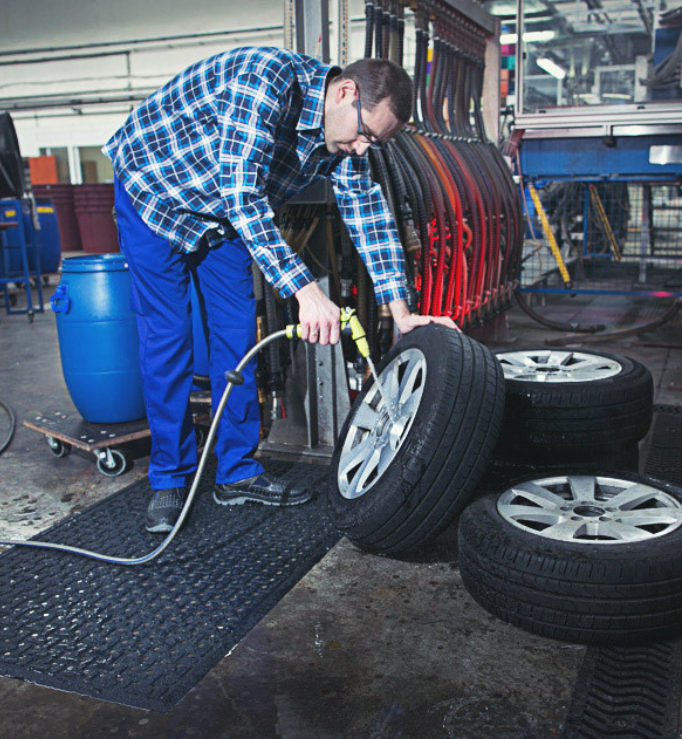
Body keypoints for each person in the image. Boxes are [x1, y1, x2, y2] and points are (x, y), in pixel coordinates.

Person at [103, 47, 458, 533]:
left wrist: (401, 311)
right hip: (155, 192)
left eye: (373, 144)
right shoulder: (266, 79)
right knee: (168, 342)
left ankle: (236, 472)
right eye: (365, 135)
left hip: (221, 213)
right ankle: (170, 477)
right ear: (346, 92)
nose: (361, 150)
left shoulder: (346, 138)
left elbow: (368, 213)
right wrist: (306, 291)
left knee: (235, 339)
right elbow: (242, 194)